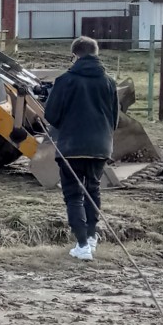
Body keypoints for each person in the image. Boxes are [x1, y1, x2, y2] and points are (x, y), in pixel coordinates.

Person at [41, 36, 119, 261]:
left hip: (71, 146)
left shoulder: (65, 80)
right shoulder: (109, 81)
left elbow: (52, 116)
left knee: (74, 194)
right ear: (96, 53)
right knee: (93, 189)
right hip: (101, 145)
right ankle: (92, 237)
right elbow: (114, 118)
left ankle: (82, 244)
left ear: (74, 55)